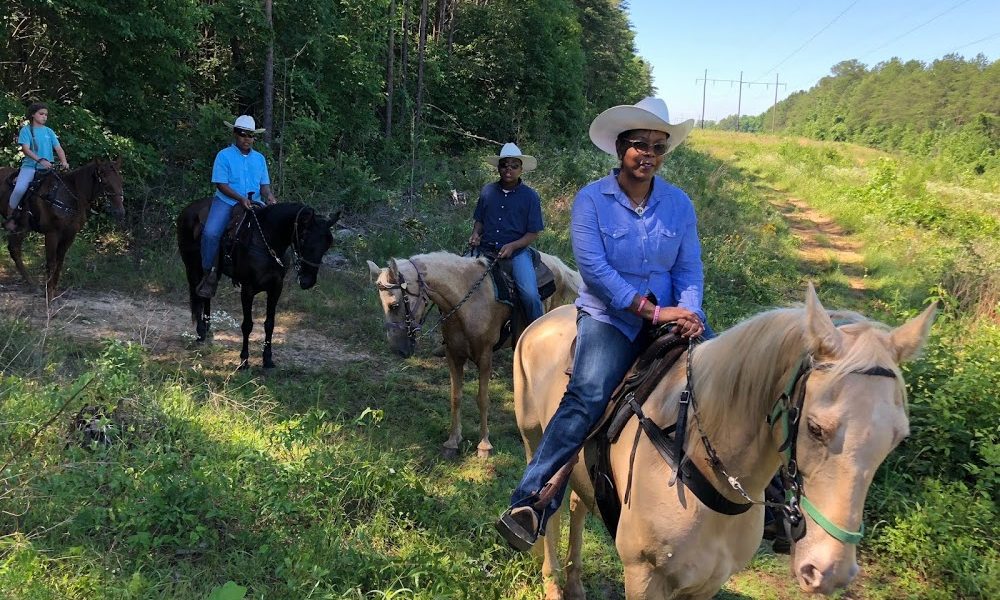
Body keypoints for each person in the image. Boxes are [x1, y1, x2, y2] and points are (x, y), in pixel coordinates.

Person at [496, 97, 713, 550]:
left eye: (658, 145)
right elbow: (594, 270)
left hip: (674, 317)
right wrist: (651, 312)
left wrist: (690, 311)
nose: (649, 153)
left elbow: (689, 268)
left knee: (728, 382)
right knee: (586, 395)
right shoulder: (592, 199)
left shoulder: (679, 204)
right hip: (612, 319)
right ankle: (532, 502)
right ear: (620, 148)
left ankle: (770, 500)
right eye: (640, 144)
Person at [196, 115, 276, 298]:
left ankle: (269, 270)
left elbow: (264, 186)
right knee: (211, 233)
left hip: (255, 202)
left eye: (250, 135)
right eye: (242, 134)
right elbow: (221, 184)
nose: (246, 138)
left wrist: (269, 196)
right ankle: (209, 274)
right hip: (227, 201)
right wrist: (240, 198)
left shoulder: (260, 159)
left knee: (274, 229)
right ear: (235, 134)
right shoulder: (224, 156)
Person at [469, 142, 545, 323]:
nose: (508, 169)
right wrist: (475, 234)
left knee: (530, 295)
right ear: (498, 168)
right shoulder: (487, 191)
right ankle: (450, 339)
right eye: (504, 165)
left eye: (514, 166)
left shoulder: (530, 196)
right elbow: (479, 220)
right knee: (457, 284)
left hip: (516, 253)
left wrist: (513, 245)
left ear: (521, 169)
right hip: (485, 249)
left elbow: (533, 233)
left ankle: (539, 331)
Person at [5, 102, 69, 232]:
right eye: (41, 114)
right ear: (33, 115)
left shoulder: (49, 131)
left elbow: (58, 148)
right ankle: (10, 217)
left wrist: (64, 161)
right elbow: (26, 149)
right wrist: (40, 160)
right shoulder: (26, 130)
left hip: (48, 169)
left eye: (46, 114)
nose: (44, 117)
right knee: (19, 189)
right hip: (30, 167)